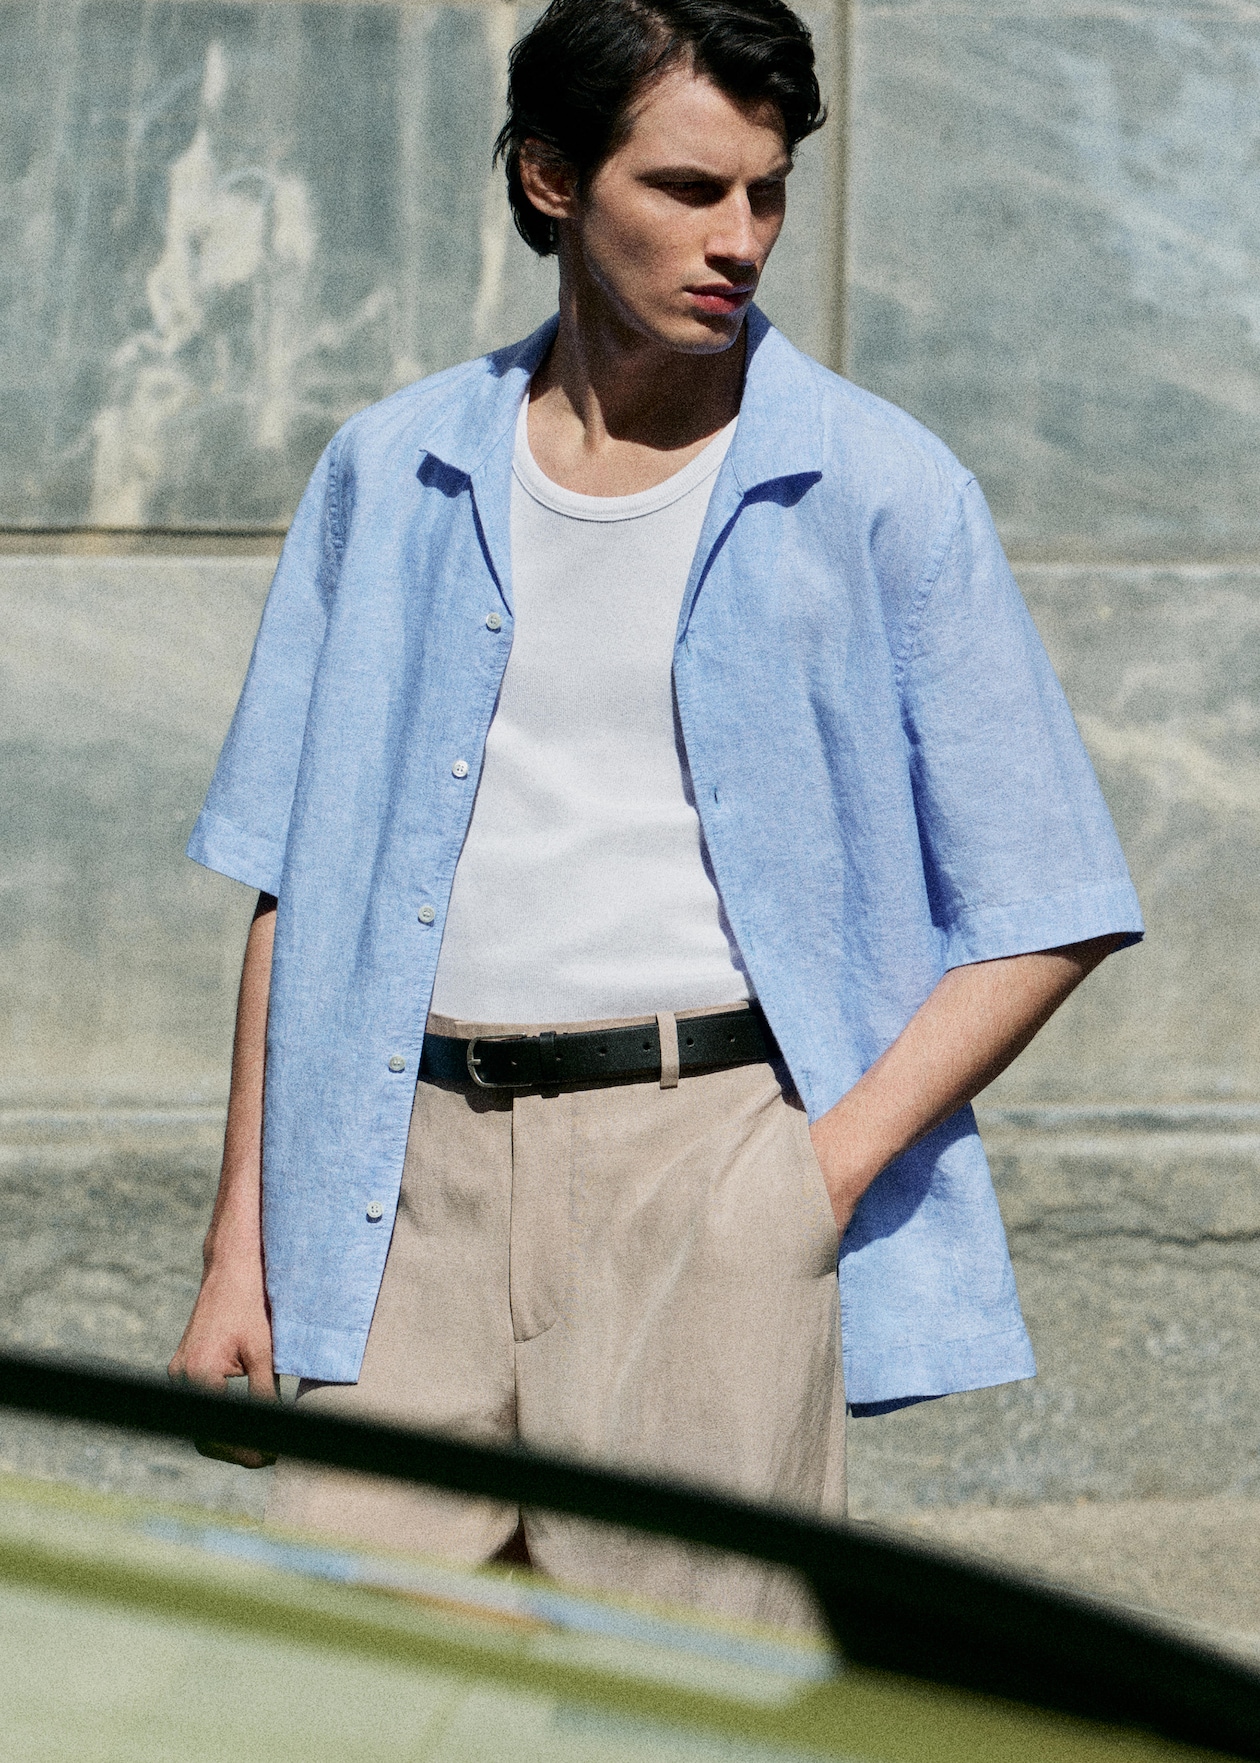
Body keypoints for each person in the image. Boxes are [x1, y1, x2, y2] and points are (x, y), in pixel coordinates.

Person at [170, 0, 1142, 1629]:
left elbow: (1051, 900)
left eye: (767, 192)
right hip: (396, 1182)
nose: (739, 238)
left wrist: (808, 1181)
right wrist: (236, 1255)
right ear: (552, 179)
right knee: (343, 1687)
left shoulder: (878, 487)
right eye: (689, 189)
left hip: (708, 1164)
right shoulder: (393, 471)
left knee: (680, 1708)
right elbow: (293, 886)